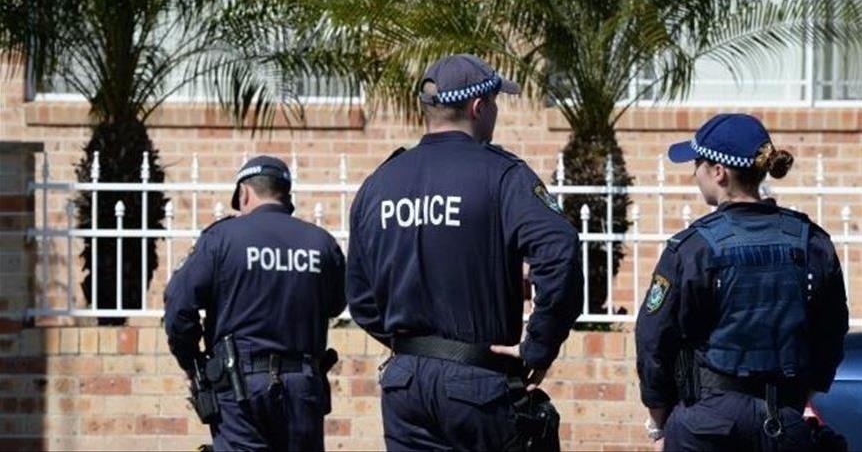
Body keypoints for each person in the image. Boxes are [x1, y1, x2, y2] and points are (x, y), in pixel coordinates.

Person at [346, 54, 583, 450]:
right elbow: (560, 253)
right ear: (478, 107)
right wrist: (539, 347)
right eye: (495, 103)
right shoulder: (502, 174)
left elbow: (360, 296)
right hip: (478, 384)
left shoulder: (379, 183)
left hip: (405, 386)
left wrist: (417, 349)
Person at [635, 114, 849, 451]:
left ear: (718, 172)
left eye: (697, 164)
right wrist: (799, 398)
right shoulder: (811, 242)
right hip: (784, 423)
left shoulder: (693, 248)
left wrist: (658, 420)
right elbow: (832, 331)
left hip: (706, 426)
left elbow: (654, 337)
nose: (695, 174)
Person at [164, 155, 346, 451]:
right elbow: (337, 304)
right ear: (286, 195)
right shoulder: (321, 243)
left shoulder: (221, 239)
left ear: (244, 193)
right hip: (302, 386)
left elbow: (179, 304)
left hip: (240, 388)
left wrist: (192, 363)